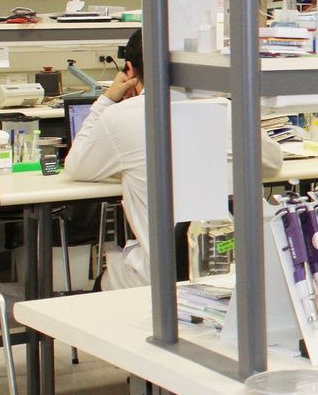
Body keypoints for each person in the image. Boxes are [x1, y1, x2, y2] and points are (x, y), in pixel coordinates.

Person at [65, 30, 284, 289]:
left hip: (161, 279)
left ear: (129, 70)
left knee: (105, 278)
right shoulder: (226, 109)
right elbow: (273, 163)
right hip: (233, 271)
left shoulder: (119, 117)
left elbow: (76, 166)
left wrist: (106, 100)